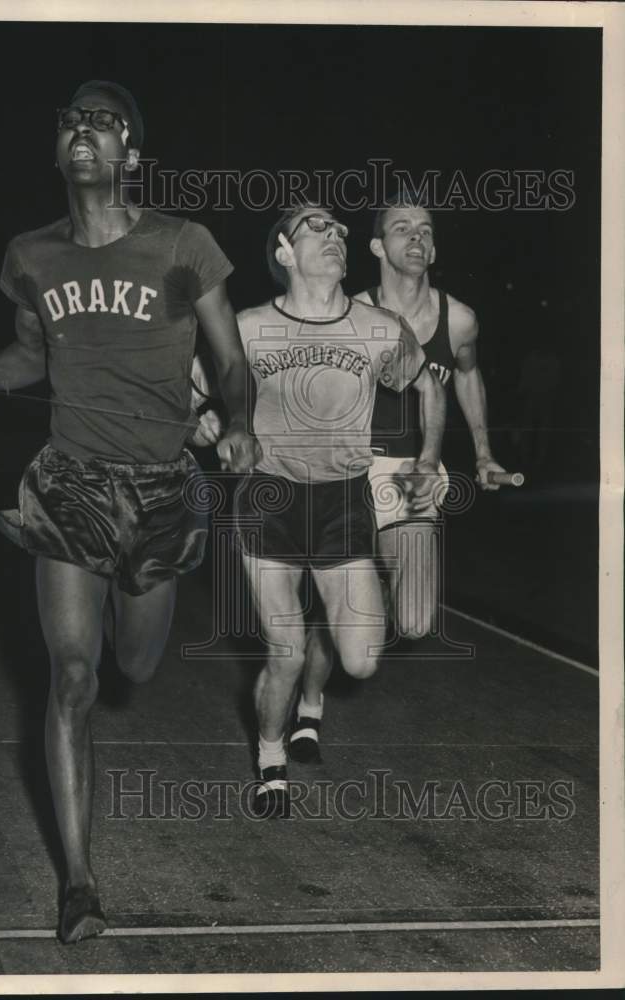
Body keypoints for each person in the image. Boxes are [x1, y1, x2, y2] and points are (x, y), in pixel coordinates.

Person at [0, 80, 260, 942]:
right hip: (70, 482)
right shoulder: (29, 256)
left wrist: (243, 422)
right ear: (58, 150)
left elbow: (231, 362)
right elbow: (26, 359)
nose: (85, 129)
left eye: (105, 122)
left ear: (130, 156)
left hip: (159, 488)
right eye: (72, 119)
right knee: (69, 676)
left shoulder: (185, 244)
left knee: (133, 668)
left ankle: (126, 642)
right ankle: (79, 884)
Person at [234, 203, 445, 816]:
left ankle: (315, 687)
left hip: (343, 501)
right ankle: (271, 756)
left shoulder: (378, 328)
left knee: (362, 659)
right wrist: (218, 428)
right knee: (285, 649)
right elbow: (197, 401)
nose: (335, 236)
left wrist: (428, 460)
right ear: (283, 252)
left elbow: (429, 385)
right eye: (316, 228)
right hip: (268, 500)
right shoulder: (247, 328)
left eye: (340, 230)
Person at [289, 199, 508, 766]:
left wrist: (482, 453)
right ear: (376, 247)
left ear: (433, 250)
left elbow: (465, 374)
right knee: (353, 598)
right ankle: (308, 709)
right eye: (401, 229)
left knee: (412, 622)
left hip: (415, 470)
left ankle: (352, 597)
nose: (417, 238)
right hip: (355, 470)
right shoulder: (350, 313)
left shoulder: (459, 318)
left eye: (426, 231)